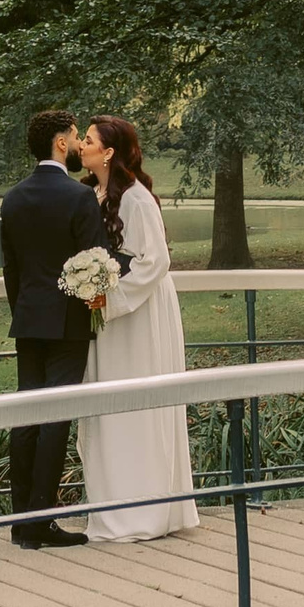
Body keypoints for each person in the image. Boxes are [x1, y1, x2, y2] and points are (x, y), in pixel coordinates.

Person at [73, 115, 199, 542]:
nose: (81, 145)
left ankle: (145, 512)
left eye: (87, 140)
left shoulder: (137, 199)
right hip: (109, 310)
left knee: (139, 398)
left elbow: (155, 261)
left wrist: (110, 298)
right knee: (108, 401)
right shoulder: (95, 193)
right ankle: (112, 507)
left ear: (107, 152)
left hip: (140, 310)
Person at [0, 106, 106, 548]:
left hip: (28, 319)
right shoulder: (78, 198)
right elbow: (94, 262)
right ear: (60, 143)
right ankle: (41, 521)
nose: (79, 143)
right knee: (55, 418)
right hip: (67, 322)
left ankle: (20, 521)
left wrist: (24, 309)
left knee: (27, 414)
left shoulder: (13, 197)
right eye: (75, 135)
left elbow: (11, 269)